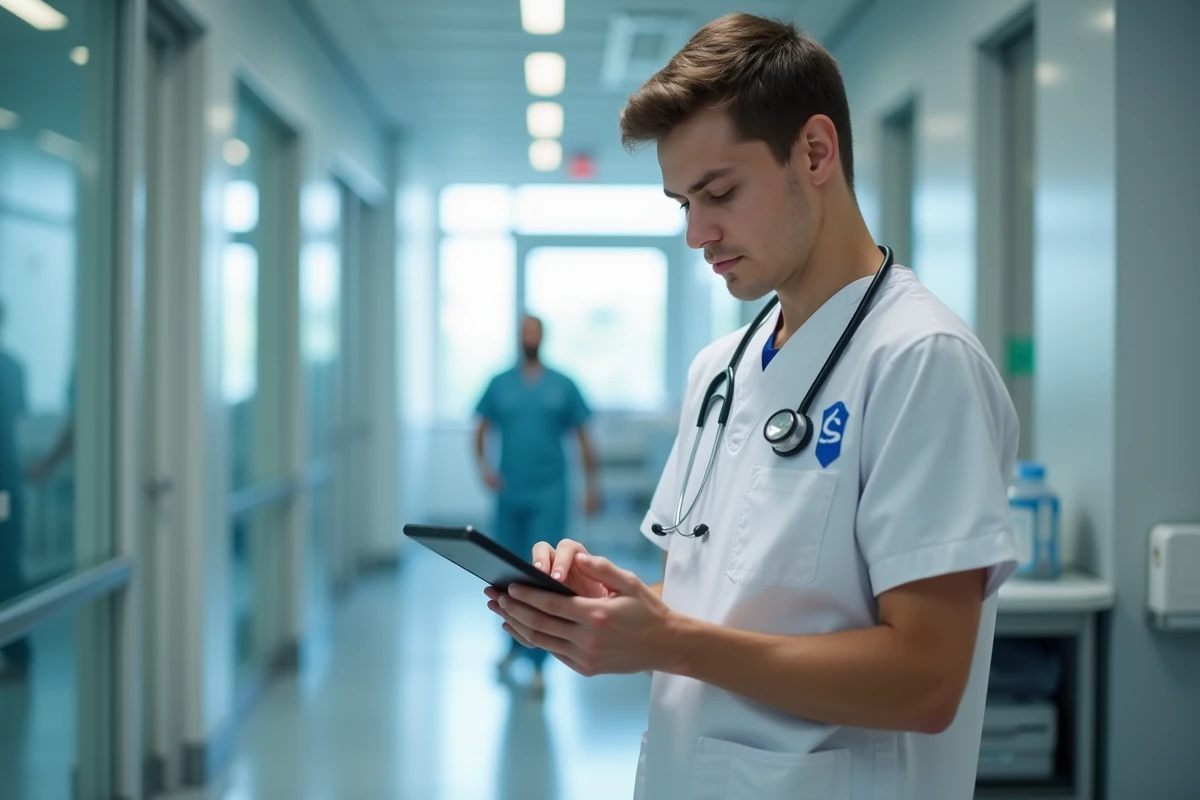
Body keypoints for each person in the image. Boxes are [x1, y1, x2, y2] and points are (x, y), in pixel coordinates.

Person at [483, 13, 1020, 799]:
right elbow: (711, 599)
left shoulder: (918, 363)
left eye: (720, 192)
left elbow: (926, 679)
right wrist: (619, 610)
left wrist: (671, 642)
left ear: (814, 152)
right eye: (681, 204)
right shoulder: (721, 369)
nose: (698, 233)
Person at [474, 314, 600, 695]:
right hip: (511, 494)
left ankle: (541, 661)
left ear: (542, 338)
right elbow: (480, 428)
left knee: (544, 575)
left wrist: (592, 485)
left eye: (535, 332)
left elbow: (583, 438)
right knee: (506, 576)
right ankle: (513, 648)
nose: (529, 337)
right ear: (518, 338)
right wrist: (484, 467)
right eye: (524, 332)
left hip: (549, 495)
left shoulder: (562, 385)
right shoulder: (500, 384)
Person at [0, 299, 31, 681]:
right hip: (10, 482)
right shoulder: (14, 367)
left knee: (5, 569)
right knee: (8, 564)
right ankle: (18, 652)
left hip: (4, 485)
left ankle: (18, 652)